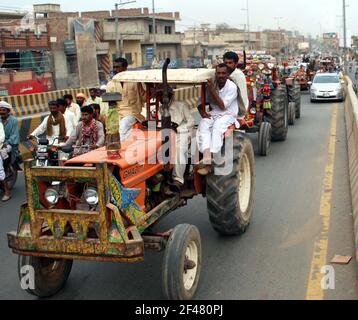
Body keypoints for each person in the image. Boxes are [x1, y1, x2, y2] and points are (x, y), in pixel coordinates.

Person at [197, 64, 239, 175]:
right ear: (215, 74)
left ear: (227, 74)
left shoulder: (232, 87)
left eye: (223, 73)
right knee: (203, 124)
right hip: (214, 113)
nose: (221, 76)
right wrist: (203, 114)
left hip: (228, 114)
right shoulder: (212, 85)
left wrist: (211, 90)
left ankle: (213, 156)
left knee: (217, 126)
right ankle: (206, 155)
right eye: (218, 73)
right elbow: (200, 103)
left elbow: (222, 106)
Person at [158, 88, 195, 191]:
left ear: (170, 96)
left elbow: (191, 121)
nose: (161, 98)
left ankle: (178, 179)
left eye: (163, 96)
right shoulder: (161, 108)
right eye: (160, 96)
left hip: (182, 132)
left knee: (179, 150)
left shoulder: (181, 105)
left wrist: (180, 129)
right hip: (167, 132)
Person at [107, 58, 146, 141]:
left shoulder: (135, 81)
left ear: (125, 68)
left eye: (118, 67)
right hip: (117, 114)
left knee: (123, 125)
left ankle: (122, 148)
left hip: (133, 113)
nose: (115, 69)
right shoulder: (110, 84)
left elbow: (144, 97)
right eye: (114, 67)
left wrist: (151, 90)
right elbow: (110, 104)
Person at [0, 101, 20, 201]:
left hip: (9, 143)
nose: (1, 112)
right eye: (0, 110)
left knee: (3, 152)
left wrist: (6, 143)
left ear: (8, 111)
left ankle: (6, 167)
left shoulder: (13, 121)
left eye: (3, 110)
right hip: (0, 142)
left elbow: (14, 136)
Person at [223, 51, 249, 117]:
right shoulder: (228, 74)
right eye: (226, 63)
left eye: (230, 63)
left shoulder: (236, 75)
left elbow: (242, 96)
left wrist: (241, 113)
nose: (227, 65)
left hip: (237, 112)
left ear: (236, 64)